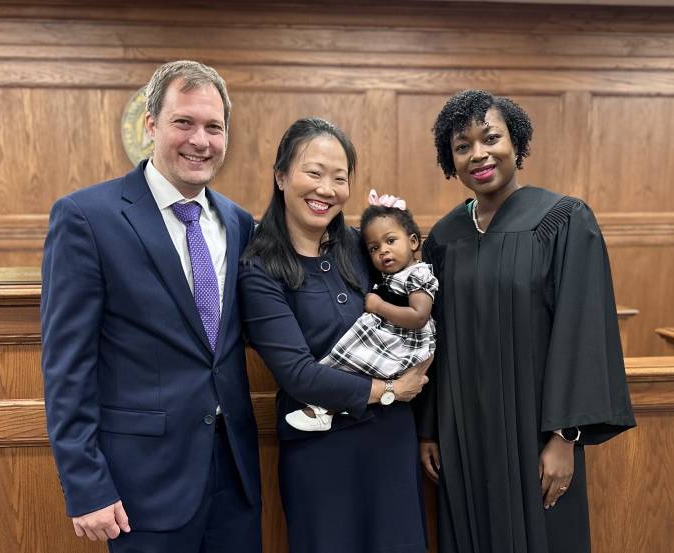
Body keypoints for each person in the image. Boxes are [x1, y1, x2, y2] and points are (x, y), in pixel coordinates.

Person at [41, 60, 261, 553]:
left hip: (236, 477)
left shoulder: (240, 222)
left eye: (213, 127)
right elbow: (67, 365)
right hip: (142, 485)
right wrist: (85, 484)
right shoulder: (86, 218)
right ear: (151, 125)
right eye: (183, 122)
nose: (199, 140)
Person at [415, 89, 636, 553]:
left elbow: (581, 334)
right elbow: (434, 338)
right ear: (449, 159)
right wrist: (429, 429)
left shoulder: (564, 221)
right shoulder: (445, 237)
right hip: (464, 433)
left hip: (533, 434)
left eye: (490, 137)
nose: (478, 154)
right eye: (462, 146)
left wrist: (565, 439)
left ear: (515, 141)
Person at [238, 117, 429, 553]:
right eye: (314, 173)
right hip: (321, 453)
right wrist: (390, 390)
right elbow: (299, 375)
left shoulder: (363, 246)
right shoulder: (260, 267)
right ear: (281, 175)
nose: (327, 189)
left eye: (339, 178)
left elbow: (418, 294)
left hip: (391, 443)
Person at [285, 189, 438, 431]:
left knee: (353, 359)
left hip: (406, 342)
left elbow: (418, 317)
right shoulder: (392, 276)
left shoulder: (418, 274)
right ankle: (330, 405)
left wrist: (378, 306)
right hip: (390, 335)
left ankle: (326, 408)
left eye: (390, 241)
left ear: (413, 241)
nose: (383, 251)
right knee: (348, 359)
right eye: (373, 248)